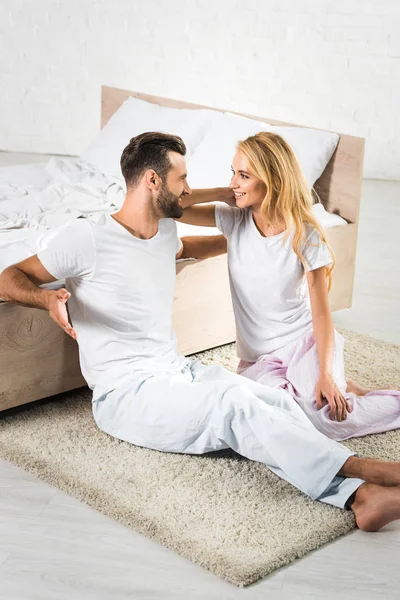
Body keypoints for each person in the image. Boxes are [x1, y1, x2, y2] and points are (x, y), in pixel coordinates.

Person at [1, 131, 400, 533]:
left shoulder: (163, 234)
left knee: (272, 404)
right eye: (182, 179)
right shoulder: (85, 237)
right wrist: (45, 300)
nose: (189, 188)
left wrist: (252, 241)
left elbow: (188, 247)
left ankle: (356, 495)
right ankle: (362, 478)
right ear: (153, 182)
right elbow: (8, 277)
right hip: (126, 395)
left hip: (178, 371)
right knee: (232, 405)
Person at [178, 131, 400, 442]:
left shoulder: (304, 234)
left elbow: (322, 315)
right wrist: (223, 191)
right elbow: (173, 206)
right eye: (233, 173)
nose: (234, 183)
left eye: (244, 175)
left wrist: (324, 375)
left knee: (323, 421)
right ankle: (343, 387)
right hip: (258, 360)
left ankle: (382, 400)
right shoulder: (234, 220)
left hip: (303, 344)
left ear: (272, 179)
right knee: (278, 418)